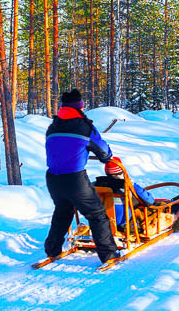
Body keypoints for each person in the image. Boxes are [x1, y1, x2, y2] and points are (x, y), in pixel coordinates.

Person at [44, 89, 120, 264]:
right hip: (74, 179)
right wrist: (107, 158)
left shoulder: (52, 127)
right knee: (96, 214)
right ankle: (108, 255)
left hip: (52, 178)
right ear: (80, 107)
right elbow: (103, 151)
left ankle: (52, 250)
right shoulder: (84, 127)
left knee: (63, 211)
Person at [94, 157, 155, 229]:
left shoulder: (96, 184)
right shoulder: (128, 184)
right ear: (121, 171)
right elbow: (149, 201)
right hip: (123, 222)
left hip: (101, 222)